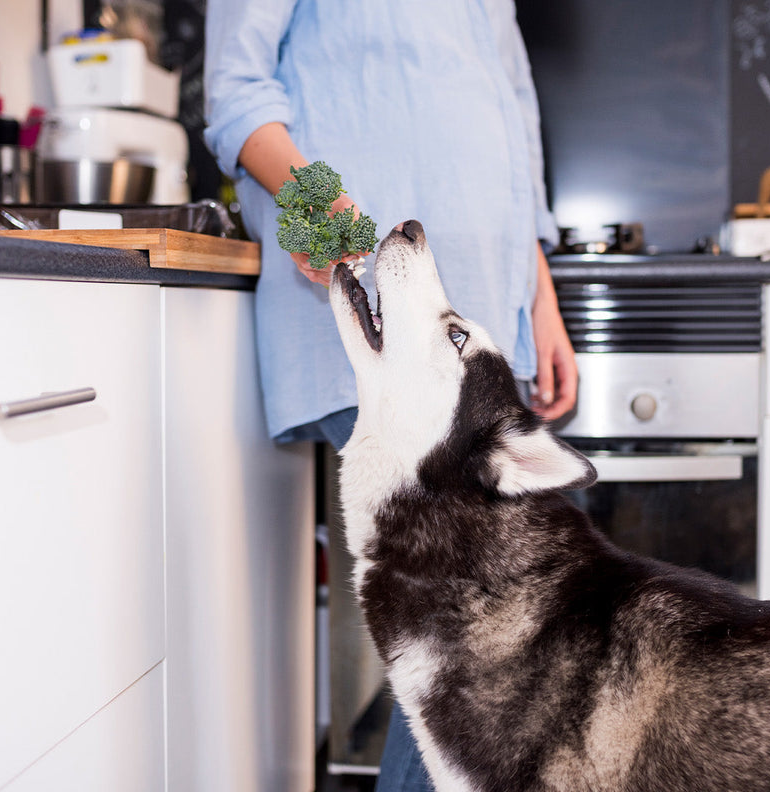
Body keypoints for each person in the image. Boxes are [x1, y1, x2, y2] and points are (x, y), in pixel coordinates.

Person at [204, 1, 577, 788]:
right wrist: (313, 203)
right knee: (471, 632)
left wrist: (538, 301)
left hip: (479, 324)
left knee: (484, 632)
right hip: (379, 311)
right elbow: (236, 88)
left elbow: (513, 116)